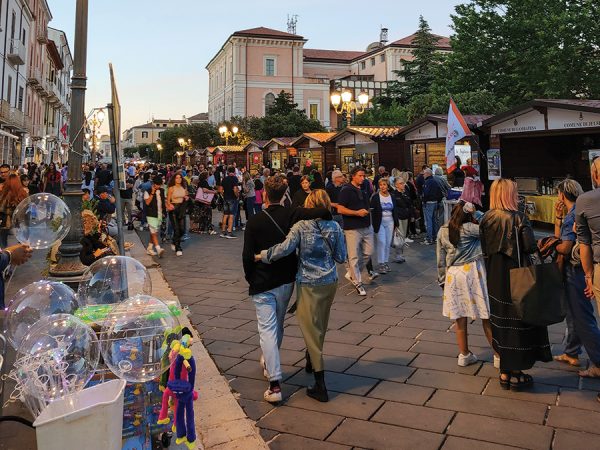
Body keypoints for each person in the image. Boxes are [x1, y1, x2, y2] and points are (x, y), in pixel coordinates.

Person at [242, 176, 331, 403]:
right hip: (285, 280)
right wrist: (329, 213)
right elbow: (320, 213)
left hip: (262, 281)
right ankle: (268, 362)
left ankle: (275, 384)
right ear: (284, 195)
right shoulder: (291, 213)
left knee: (267, 329)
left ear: (264, 195)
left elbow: (246, 256)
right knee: (277, 325)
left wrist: (251, 278)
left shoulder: (254, 221)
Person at [256, 189, 346, 402]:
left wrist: (263, 255)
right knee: (320, 324)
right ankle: (310, 358)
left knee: (309, 327)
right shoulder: (335, 227)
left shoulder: (301, 226)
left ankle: (320, 384)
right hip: (330, 282)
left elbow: (284, 249)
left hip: (308, 282)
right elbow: (341, 257)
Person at [480, 178, 552, 390]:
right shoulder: (519, 217)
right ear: (509, 195)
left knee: (500, 321)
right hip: (517, 276)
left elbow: (485, 249)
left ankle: (504, 371)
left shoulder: (485, 219)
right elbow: (529, 247)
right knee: (519, 321)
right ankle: (517, 372)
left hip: (495, 276)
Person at [551, 179, 600, 377]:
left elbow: (565, 246)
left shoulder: (573, 216)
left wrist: (548, 244)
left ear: (562, 195)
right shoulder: (573, 213)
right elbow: (560, 236)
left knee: (583, 317)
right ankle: (571, 351)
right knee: (573, 314)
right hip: (579, 269)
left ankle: (598, 361)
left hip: (575, 269)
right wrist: (557, 217)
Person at [437, 201, 495, 367]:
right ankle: (499, 355)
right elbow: (489, 226)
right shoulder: (469, 228)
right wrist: (477, 213)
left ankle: (464, 355)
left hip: (453, 275)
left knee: (460, 319)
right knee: (486, 316)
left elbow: (440, 258)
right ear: (468, 214)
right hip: (471, 272)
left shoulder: (443, 230)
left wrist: (441, 279)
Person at [337, 166, 374, 296]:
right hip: (352, 227)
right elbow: (340, 209)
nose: (363, 178)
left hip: (366, 225)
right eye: (360, 175)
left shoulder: (363, 189)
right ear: (353, 176)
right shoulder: (346, 190)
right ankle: (358, 282)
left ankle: (353, 273)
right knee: (353, 255)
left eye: (364, 176)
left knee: (368, 253)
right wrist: (356, 213)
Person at [370, 178, 398, 273]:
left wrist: (396, 223)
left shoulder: (392, 196)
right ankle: (381, 263)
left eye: (384, 185)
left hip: (390, 221)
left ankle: (385, 262)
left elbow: (395, 210)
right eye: (381, 185)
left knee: (387, 242)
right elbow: (372, 211)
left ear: (388, 186)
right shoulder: (375, 197)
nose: (382, 187)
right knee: (381, 241)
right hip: (379, 222)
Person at [0, 174, 28, 248]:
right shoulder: (23, 192)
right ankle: (19, 256)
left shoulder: (4, 192)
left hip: (5, 222)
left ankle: (6, 257)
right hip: (19, 221)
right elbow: (27, 207)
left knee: (3, 240)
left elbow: (2, 208)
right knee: (21, 241)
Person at [166, 172, 189, 256]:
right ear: (174, 179)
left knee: (182, 229)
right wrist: (169, 205)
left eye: (180, 178)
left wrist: (186, 198)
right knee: (176, 228)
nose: (178, 179)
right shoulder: (171, 188)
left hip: (182, 208)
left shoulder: (184, 187)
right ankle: (178, 247)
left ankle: (174, 241)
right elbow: (168, 201)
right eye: (177, 177)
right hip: (174, 209)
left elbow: (186, 197)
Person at [393, 177, 413, 263]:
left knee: (403, 236)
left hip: (406, 217)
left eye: (403, 183)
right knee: (399, 237)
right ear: (396, 185)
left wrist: (412, 215)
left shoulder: (406, 193)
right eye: (401, 183)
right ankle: (398, 255)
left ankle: (400, 254)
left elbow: (410, 205)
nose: (403, 184)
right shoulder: (394, 194)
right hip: (398, 218)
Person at [144, 175, 166, 257]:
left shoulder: (162, 191)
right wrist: (152, 193)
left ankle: (149, 248)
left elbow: (163, 202)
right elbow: (147, 203)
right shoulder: (147, 191)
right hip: (151, 215)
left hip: (159, 214)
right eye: (157, 184)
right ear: (153, 184)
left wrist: (164, 211)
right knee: (154, 233)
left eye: (160, 185)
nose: (158, 186)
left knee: (153, 232)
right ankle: (158, 249)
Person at [422, 168, 444, 245]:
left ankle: (429, 238)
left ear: (428, 174)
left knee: (429, 221)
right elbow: (439, 192)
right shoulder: (434, 181)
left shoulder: (427, 182)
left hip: (429, 203)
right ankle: (435, 238)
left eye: (424, 174)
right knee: (434, 220)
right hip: (435, 202)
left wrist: (424, 200)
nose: (423, 175)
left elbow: (426, 193)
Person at [220, 166, 239, 239]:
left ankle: (223, 231)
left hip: (226, 198)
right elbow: (235, 189)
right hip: (232, 198)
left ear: (228, 171)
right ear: (234, 171)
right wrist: (237, 195)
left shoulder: (224, 179)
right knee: (231, 215)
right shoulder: (234, 178)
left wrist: (223, 195)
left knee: (225, 214)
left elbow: (221, 189)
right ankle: (229, 232)